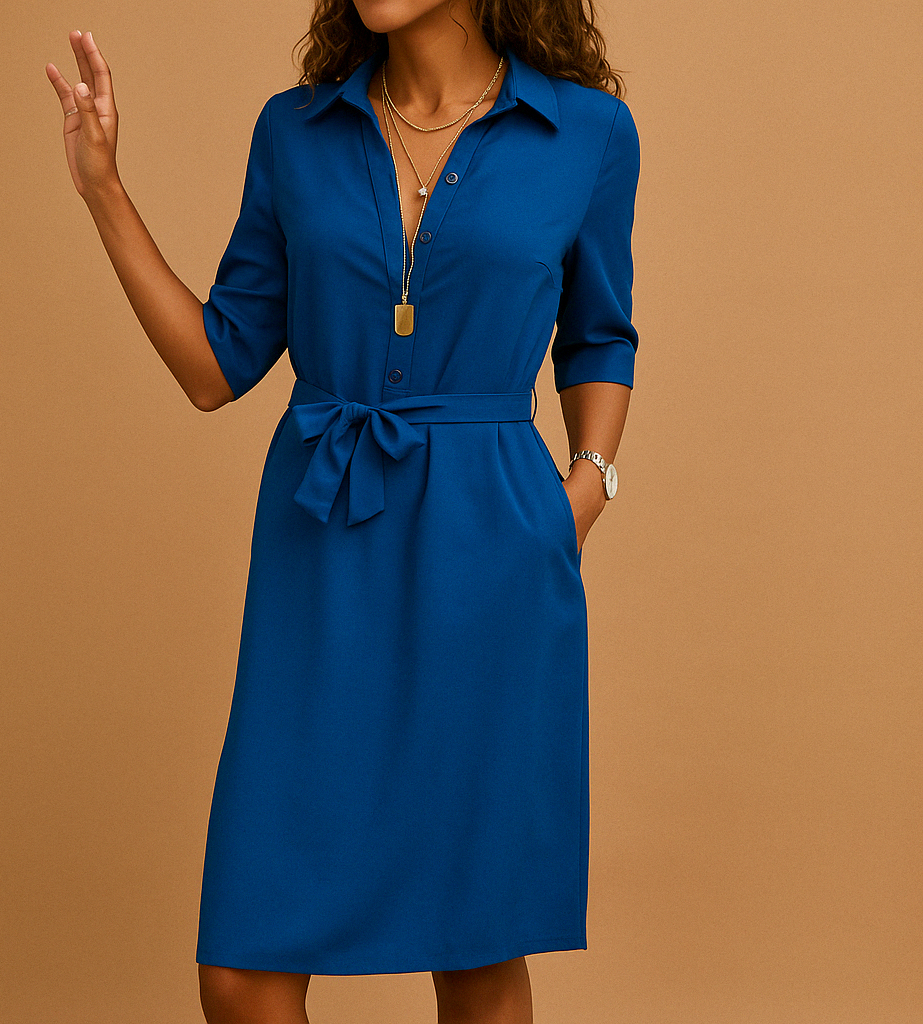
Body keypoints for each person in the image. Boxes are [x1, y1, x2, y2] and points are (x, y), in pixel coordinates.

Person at [45, 1, 639, 1021]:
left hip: (493, 549)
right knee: (242, 972)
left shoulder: (585, 132)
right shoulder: (296, 130)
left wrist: (582, 492)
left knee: (475, 943)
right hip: (318, 545)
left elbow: (599, 334)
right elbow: (215, 365)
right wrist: (102, 187)